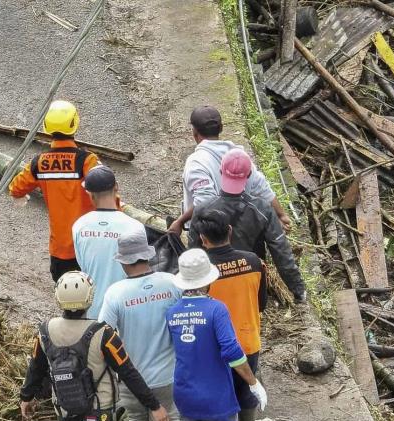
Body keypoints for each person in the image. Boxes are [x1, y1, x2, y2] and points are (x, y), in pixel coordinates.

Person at [19, 271, 170, 421]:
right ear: (89, 299)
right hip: (100, 418)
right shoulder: (104, 334)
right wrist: (154, 406)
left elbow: (36, 369)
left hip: (67, 415)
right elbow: (128, 372)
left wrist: (26, 398)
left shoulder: (44, 332)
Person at [166, 249, 267, 421]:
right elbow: (232, 351)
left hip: (184, 393)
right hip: (215, 397)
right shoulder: (216, 310)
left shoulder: (172, 312)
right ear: (208, 280)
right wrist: (253, 382)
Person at [98, 228, 184, 421]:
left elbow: (105, 335)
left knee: (133, 416)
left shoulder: (116, 293)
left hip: (132, 376)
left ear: (123, 261)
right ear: (149, 255)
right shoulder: (172, 283)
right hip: (169, 375)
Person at [191, 209, 266, 421]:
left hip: (213, 345)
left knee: (220, 394)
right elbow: (261, 302)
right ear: (230, 231)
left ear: (203, 238)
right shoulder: (254, 261)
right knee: (247, 390)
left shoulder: (202, 271)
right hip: (247, 339)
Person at [189, 148, 307, 303]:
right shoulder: (263, 209)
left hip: (214, 285)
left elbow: (193, 252)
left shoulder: (202, 209)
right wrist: (298, 291)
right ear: (249, 174)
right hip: (251, 285)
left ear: (220, 170)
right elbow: (281, 252)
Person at [9, 100, 101, 283]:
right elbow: (107, 191)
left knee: (67, 298)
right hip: (90, 245)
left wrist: (20, 196)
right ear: (75, 124)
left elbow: (16, 188)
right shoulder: (87, 161)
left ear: (46, 127)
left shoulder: (40, 162)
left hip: (60, 250)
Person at [167, 105, 290, 235]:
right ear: (221, 128)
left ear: (194, 132)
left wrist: (180, 221)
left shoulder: (196, 162)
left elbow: (204, 202)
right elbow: (261, 187)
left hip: (211, 237)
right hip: (243, 231)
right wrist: (281, 215)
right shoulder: (238, 155)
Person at [73, 166, 144, 319]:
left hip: (93, 312)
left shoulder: (79, 226)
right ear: (116, 187)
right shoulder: (135, 226)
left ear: (89, 193)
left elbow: (83, 266)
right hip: (128, 310)